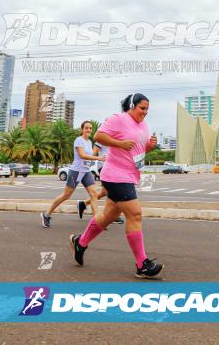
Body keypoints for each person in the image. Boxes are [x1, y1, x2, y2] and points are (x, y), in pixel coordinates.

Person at [70, 93, 163, 279]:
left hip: (130, 174)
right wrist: (119, 143)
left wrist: (150, 146)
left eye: (147, 110)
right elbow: (99, 136)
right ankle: (142, 264)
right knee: (135, 214)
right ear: (131, 105)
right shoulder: (118, 119)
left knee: (109, 215)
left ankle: (81, 242)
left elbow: (138, 149)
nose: (145, 113)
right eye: (142, 108)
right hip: (115, 174)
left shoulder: (143, 124)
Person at [40, 121, 103, 228]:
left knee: (94, 195)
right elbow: (82, 155)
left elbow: (90, 155)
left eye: (90, 128)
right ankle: (46, 214)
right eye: (86, 128)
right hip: (76, 171)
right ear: (82, 130)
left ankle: (96, 221)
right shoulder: (78, 141)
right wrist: (98, 158)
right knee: (66, 195)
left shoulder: (89, 142)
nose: (89, 130)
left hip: (86, 172)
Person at [78, 142, 123, 224]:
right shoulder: (101, 140)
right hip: (103, 166)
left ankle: (83, 204)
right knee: (114, 189)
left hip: (112, 166)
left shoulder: (114, 138)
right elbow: (93, 153)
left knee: (104, 192)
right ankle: (110, 215)